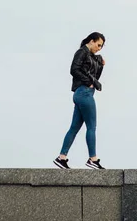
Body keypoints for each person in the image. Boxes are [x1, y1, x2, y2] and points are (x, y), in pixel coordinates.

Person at [54, 32, 107, 170]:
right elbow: (74, 69)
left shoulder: (92, 57)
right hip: (84, 93)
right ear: (91, 40)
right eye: (98, 44)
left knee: (74, 128)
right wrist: (88, 81)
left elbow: (96, 77)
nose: (99, 48)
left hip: (83, 94)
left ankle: (61, 158)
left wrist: (100, 65)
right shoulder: (81, 52)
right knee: (91, 126)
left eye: (101, 46)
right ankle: (93, 159)